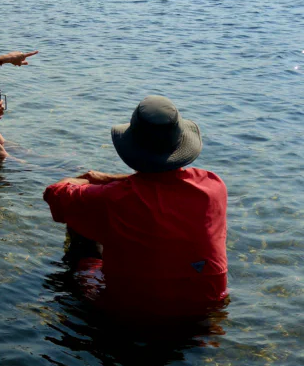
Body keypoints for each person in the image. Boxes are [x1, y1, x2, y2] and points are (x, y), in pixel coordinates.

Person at [43, 95, 228, 317]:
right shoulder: (214, 186)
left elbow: (54, 193)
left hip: (135, 313)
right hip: (205, 312)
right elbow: (160, 184)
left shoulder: (115, 198)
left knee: (81, 222)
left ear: (133, 146)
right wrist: (113, 179)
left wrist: (84, 180)